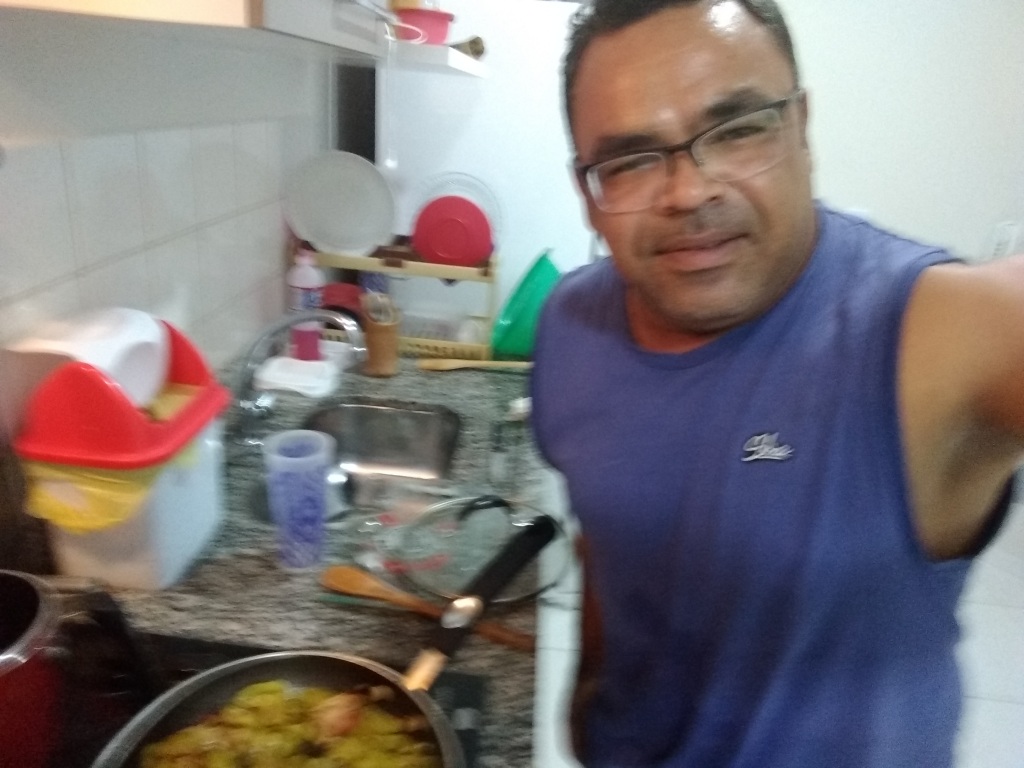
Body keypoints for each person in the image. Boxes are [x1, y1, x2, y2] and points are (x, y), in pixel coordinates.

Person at [529, 1, 1024, 766]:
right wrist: (592, 695)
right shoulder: (570, 326)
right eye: (630, 160)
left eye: (737, 129)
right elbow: (607, 537)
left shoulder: (934, 327)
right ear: (589, 193)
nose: (687, 191)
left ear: (801, 127)